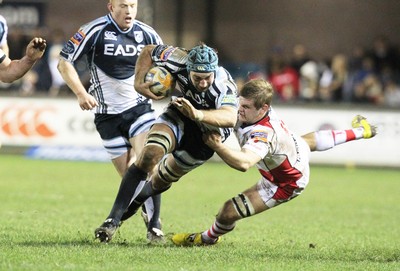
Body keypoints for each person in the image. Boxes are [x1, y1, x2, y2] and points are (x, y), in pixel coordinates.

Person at [170, 79, 377, 246]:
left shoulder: (262, 134)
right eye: (239, 103)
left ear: (264, 108)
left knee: (227, 212)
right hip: (293, 149)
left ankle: (207, 239)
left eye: (246, 107)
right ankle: (362, 130)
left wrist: (217, 146)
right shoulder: (253, 110)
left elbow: (243, 163)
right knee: (306, 142)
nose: (239, 110)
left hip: (286, 182)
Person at [94, 42, 239, 243]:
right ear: (189, 69)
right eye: (198, 78)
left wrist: (197, 114)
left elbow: (230, 117)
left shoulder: (224, 83)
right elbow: (148, 50)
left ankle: (142, 210)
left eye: (207, 78)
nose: (203, 83)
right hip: (180, 115)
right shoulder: (177, 58)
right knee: (149, 155)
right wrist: (138, 82)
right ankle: (112, 221)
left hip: (207, 137)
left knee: (160, 181)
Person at [57, 0, 164, 242]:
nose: (129, 11)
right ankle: (144, 214)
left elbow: (165, 65)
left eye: (133, 6)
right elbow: (64, 62)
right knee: (130, 175)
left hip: (139, 110)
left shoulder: (148, 33)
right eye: (123, 5)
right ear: (110, 7)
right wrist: (81, 93)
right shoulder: (93, 31)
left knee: (148, 161)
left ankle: (154, 226)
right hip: (106, 115)